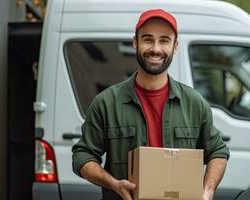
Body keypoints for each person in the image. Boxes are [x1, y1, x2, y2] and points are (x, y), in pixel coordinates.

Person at [72, 8, 229, 200]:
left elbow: (218, 151)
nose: (155, 48)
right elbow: (82, 156)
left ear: (175, 46)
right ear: (135, 42)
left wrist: (208, 190)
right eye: (148, 39)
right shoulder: (106, 103)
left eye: (164, 40)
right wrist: (114, 184)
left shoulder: (195, 104)